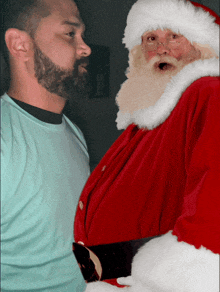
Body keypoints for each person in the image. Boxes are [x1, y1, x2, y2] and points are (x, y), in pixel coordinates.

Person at [74, 0, 220, 291]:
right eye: (151, 39)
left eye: (174, 36)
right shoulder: (150, 115)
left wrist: (175, 277)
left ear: (202, 46)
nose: (161, 49)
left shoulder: (209, 93)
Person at [1, 0, 91, 291]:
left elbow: (67, 249)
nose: (85, 48)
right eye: (70, 34)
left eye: (83, 35)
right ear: (20, 45)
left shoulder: (73, 132)